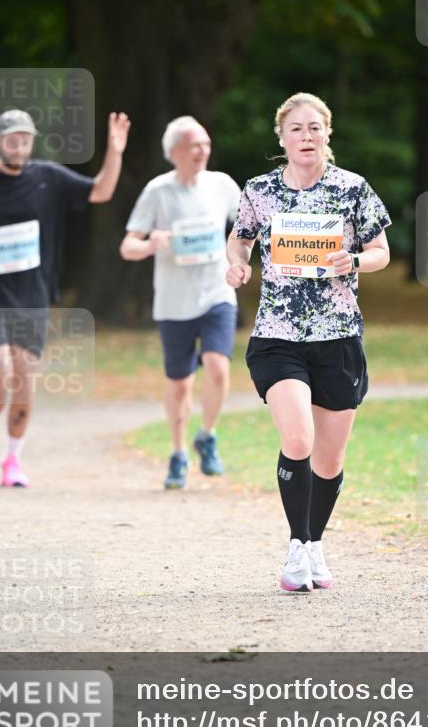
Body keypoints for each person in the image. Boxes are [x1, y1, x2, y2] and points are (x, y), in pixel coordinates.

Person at [227, 92, 391, 592]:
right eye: (296, 129)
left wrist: (355, 262)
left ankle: (315, 544)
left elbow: (381, 250)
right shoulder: (259, 190)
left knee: (329, 459)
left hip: (337, 336)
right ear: (281, 137)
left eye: (314, 128)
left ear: (328, 134)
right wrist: (236, 263)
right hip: (278, 334)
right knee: (297, 440)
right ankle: (297, 547)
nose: (306, 136)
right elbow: (241, 238)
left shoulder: (353, 189)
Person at [0, 107, 131, 487]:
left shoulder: (48, 177)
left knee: (25, 384)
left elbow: (101, 190)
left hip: (33, 297)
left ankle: (12, 460)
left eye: (26, 138)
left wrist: (115, 150)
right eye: (12, 138)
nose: (20, 145)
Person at [120, 115, 241, 489]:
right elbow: (128, 246)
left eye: (205, 143)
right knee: (179, 384)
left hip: (217, 293)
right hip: (174, 303)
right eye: (193, 145)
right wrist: (150, 244)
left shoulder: (222, 185)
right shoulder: (158, 191)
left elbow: (247, 227)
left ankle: (207, 435)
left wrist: (239, 257)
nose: (202, 151)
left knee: (218, 367)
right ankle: (177, 453)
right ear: (174, 152)